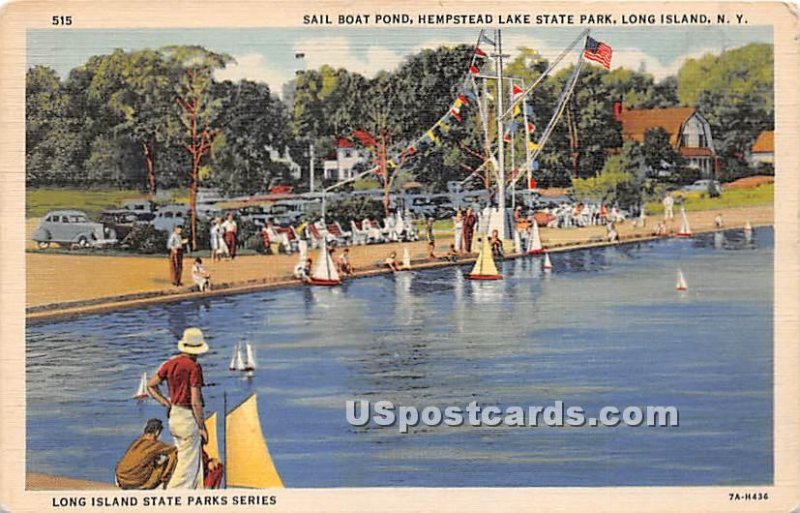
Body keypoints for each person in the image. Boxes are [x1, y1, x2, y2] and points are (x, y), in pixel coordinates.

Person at [147, 328, 209, 489]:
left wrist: (166, 403)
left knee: (186, 460)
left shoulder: (170, 364)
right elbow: (195, 401)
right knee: (187, 467)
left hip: (174, 416)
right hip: (188, 417)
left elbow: (150, 385)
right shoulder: (194, 367)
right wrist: (202, 427)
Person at [115, 418, 178, 490]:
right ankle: (165, 479)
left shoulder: (137, 442)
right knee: (172, 455)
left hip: (120, 477)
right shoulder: (155, 444)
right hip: (134, 481)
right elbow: (174, 449)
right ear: (157, 432)